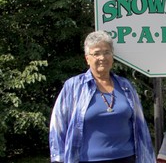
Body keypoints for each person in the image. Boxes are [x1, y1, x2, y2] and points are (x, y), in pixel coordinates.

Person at [49, 30, 156, 163]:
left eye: (107, 52)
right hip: (87, 160)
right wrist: (58, 159)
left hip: (127, 158)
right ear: (87, 58)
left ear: (112, 56)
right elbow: (58, 125)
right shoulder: (74, 86)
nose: (102, 58)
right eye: (96, 53)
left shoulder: (125, 85)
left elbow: (141, 126)